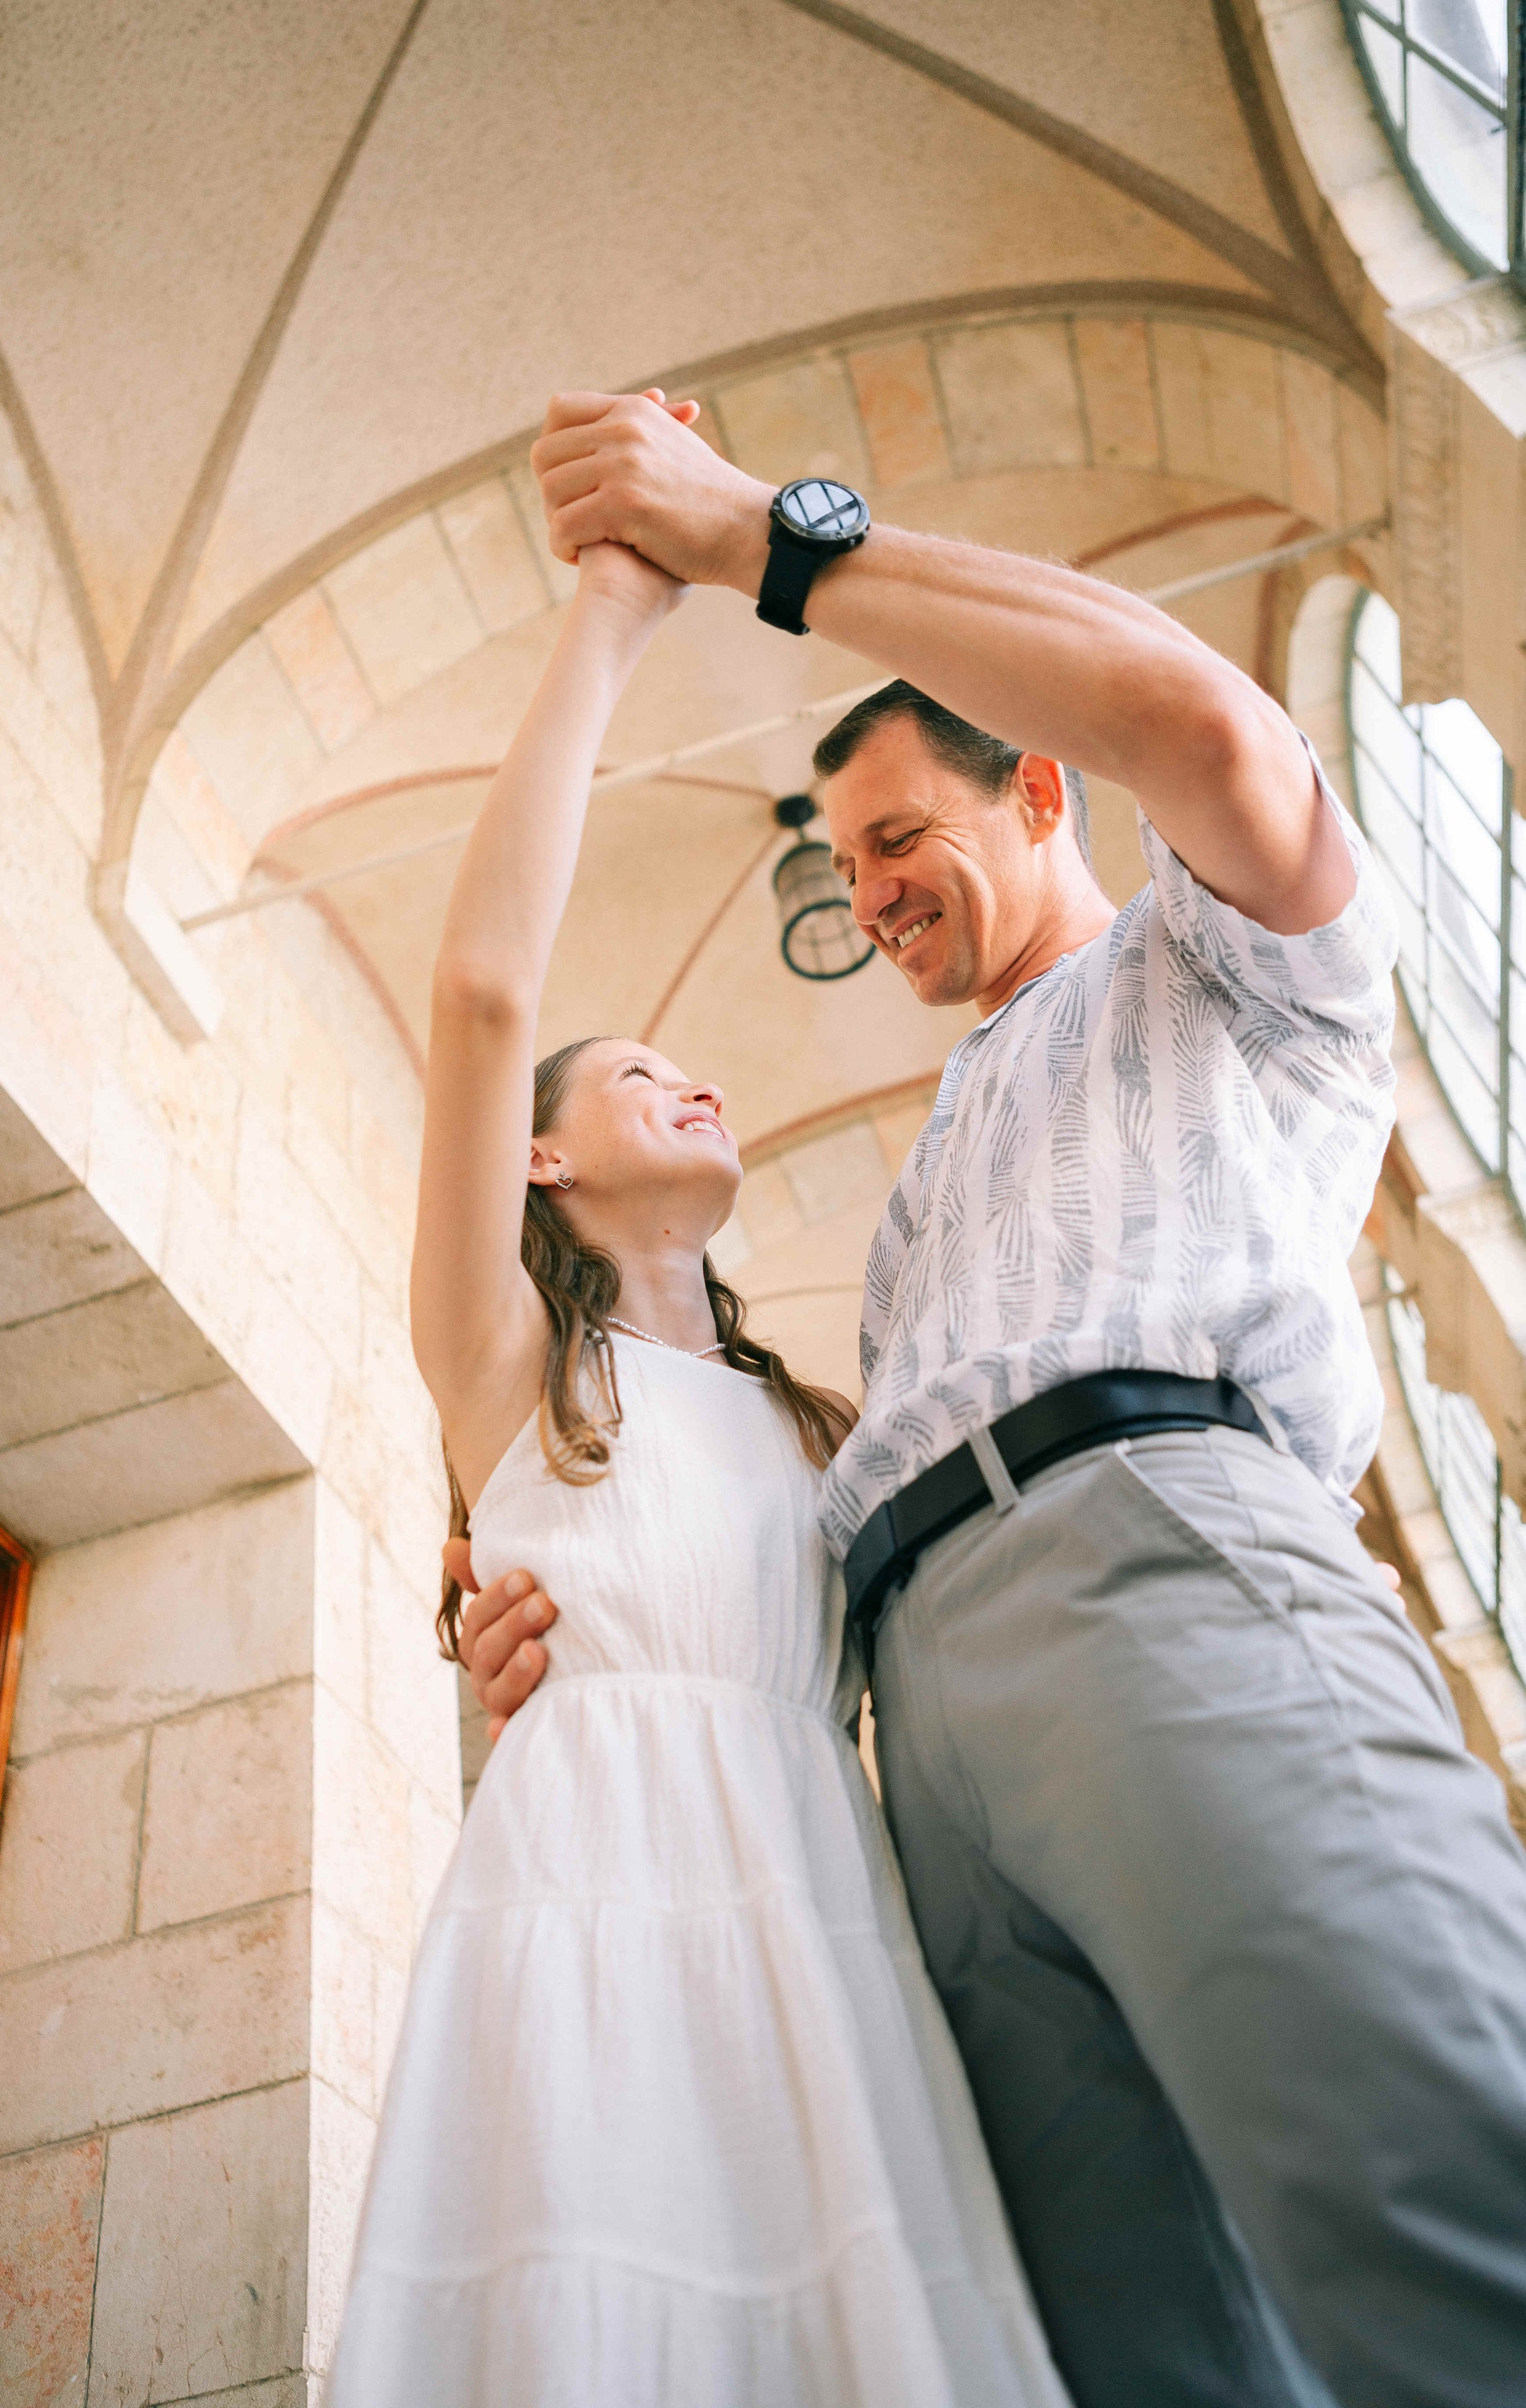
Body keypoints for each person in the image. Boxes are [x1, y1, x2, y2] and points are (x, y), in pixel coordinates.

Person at [457, 391, 1526, 2408]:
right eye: (845, 865)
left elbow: (1201, 726)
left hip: (1160, 1567)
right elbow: (726, 1500)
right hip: (919, 1747)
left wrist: (763, 537)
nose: (862, 897)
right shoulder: (936, 1171)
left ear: (1038, 789)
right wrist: (536, 1599)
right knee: (1140, 2353)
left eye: (892, 839)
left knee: (1424, 2166)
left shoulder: (1231, 963)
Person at [325, 406, 1075, 2407]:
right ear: (544, 1165)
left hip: (817, 1911)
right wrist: (616, 611)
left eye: (701, 1067)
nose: (697, 1083)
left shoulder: (832, 1425)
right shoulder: (505, 1363)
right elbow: (486, 988)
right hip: (586, 1905)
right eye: (639, 1072)